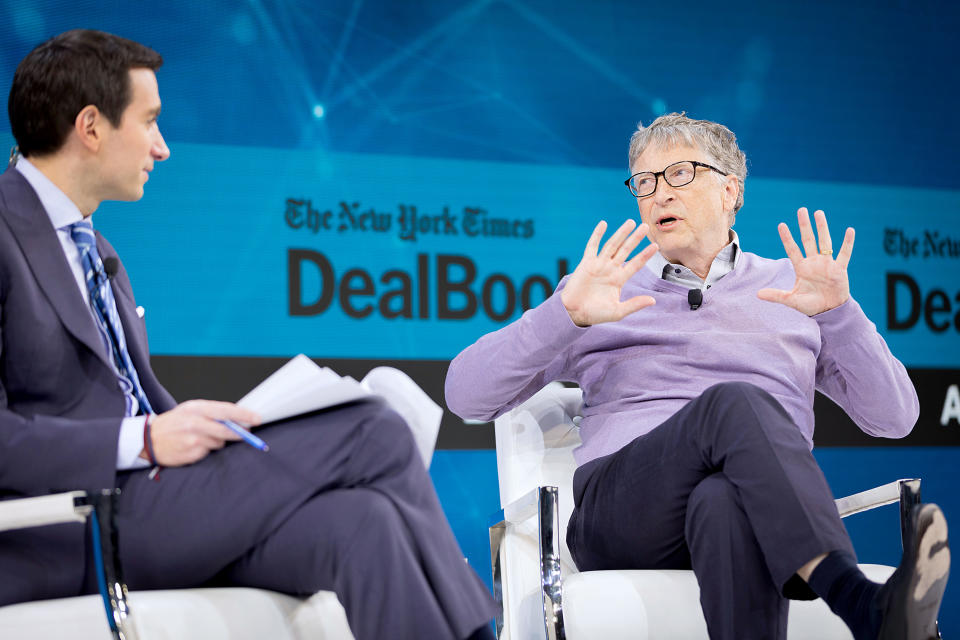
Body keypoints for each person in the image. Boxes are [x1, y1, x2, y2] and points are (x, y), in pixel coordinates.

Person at [0, 29, 496, 640]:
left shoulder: (97, 250)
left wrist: (182, 428)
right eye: (150, 122)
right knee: (375, 427)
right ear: (92, 127)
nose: (162, 148)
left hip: (155, 502)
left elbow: (124, 396)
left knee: (365, 522)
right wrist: (144, 439)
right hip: (75, 526)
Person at [446, 112, 950, 640]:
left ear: (730, 189)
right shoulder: (603, 294)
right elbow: (465, 395)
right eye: (644, 182)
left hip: (754, 508)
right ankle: (857, 600)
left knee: (722, 500)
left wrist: (838, 312)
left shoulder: (794, 289)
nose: (659, 194)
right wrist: (562, 315)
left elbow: (895, 418)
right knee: (735, 402)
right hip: (622, 512)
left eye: (679, 173)